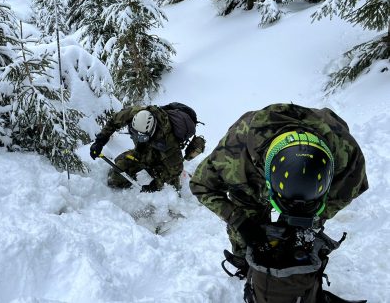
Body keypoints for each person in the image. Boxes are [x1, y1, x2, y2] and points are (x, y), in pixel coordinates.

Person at [189, 103, 368, 278]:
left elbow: (344, 193)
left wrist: (312, 220)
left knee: (300, 231)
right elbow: (200, 185)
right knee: (248, 226)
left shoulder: (347, 156)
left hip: (322, 152)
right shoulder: (231, 155)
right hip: (249, 178)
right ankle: (245, 261)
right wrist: (240, 221)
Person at [89, 103, 202, 192]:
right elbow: (114, 120)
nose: (138, 138)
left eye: (142, 137)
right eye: (135, 134)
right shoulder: (135, 113)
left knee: (168, 189)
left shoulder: (167, 140)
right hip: (142, 153)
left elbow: (176, 169)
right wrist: (100, 141)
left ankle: (168, 183)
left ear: (152, 131)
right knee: (115, 179)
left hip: (161, 160)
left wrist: (156, 185)